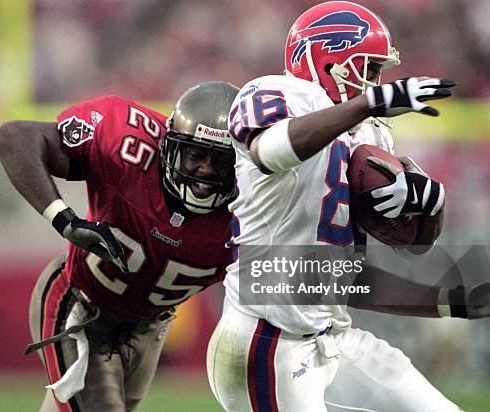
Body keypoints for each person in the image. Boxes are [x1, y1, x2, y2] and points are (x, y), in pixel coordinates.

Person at [206, 2, 490, 411]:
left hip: (331, 336)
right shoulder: (276, 93)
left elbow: (356, 270)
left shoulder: (369, 133)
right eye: (369, 69)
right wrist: (364, 105)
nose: (376, 83)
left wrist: (432, 210)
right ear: (327, 59)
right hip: (266, 340)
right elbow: (269, 151)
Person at [0, 81, 240, 411]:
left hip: (151, 327)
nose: (206, 171)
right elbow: (12, 136)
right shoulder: (123, 139)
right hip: (81, 305)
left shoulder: (255, 204)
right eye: (195, 155)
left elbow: (288, 279)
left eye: (221, 161)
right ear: (170, 147)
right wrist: (65, 220)